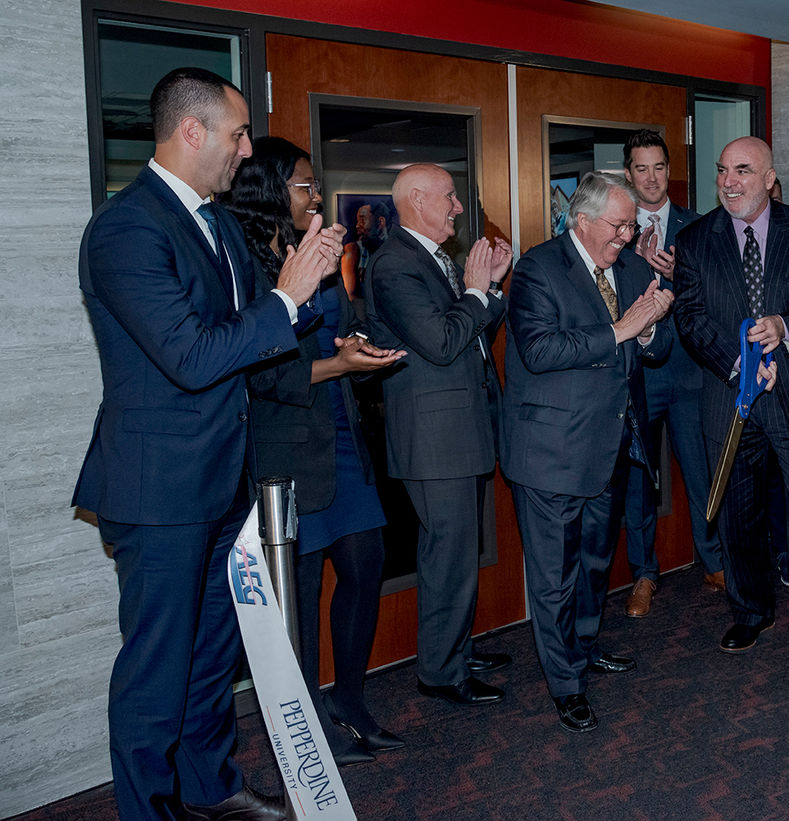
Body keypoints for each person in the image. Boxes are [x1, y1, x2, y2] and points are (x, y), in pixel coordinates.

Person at [73, 67, 344, 820]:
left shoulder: (221, 223)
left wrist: (303, 293)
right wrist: (286, 300)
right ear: (190, 132)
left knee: (209, 662)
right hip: (158, 492)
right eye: (237, 133)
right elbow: (190, 355)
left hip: (225, 482)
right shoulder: (125, 229)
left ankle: (210, 787)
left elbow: (251, 340)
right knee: (156, 676)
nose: (246, 148)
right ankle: (150, 809)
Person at [226, 136, 405, 767]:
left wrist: (363, 350)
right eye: (304, 185)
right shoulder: (247, 264)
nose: (314, 196)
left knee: (365, 567)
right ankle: (301, 731)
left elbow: (338, 326)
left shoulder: (315, 253)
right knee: (294, 601)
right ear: (273, 191)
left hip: (343, 438)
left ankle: (349, 703)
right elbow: (263, 373)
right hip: (286, 452)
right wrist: (337, 362)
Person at [673, 136, 789, 677]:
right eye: (723, 171)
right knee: (738, 517)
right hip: (731, 399)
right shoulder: (696, 239)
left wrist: (785, 328)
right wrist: (740, 364)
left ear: (770, 176)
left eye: (743, 171)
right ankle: (751, 611)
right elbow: (691, 316)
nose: (729, 182)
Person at [502, 172, 673, 732]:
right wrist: (624, 329)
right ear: (582, 221)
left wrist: (647, 331)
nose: (628, 236)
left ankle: (582, 645)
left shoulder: (629, 267)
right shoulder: (537, 268)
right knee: (554, 575)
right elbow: (539, 348)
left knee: (596, 564)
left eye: (632, 226)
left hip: (611, 446)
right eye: (620, 225)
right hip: (550, 451)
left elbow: (656, 345)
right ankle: (566, 684)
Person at [364, 163, 513, 707]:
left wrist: (488, 288)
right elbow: (443, 342)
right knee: (448, 555)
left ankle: (452, 649)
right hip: (434, 439)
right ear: (418, 201)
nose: (457, 206)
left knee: (454, 554)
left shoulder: (435, 258)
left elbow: (473, 335)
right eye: (449, 197)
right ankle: (441, 672)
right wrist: (477, 291)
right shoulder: (394, 266)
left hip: (460, 431)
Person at [620, 129, 723, 619]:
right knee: (639, 480)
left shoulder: (698, 225)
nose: (652, 177)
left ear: (669, 170)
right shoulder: (613, 228)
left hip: (686, 373)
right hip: (634, 373)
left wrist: (685, 273)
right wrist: (635, 268)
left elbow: (717, 298)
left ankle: (715, 561)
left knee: (701, 471)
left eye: (659, 167)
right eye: (641, 168)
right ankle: (643, 574)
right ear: (628, 174)